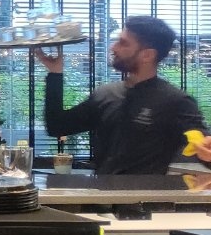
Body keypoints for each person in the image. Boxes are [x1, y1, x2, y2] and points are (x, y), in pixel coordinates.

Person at [34, 15, 211, 176]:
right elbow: (57, 126)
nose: (113, 47)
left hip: (149, 199)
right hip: (100, 197)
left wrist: (206, 151)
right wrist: (55, 74)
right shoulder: (105, 94)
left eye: (123, 43)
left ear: (147, 55)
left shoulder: (176, 101)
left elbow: (204, 149)